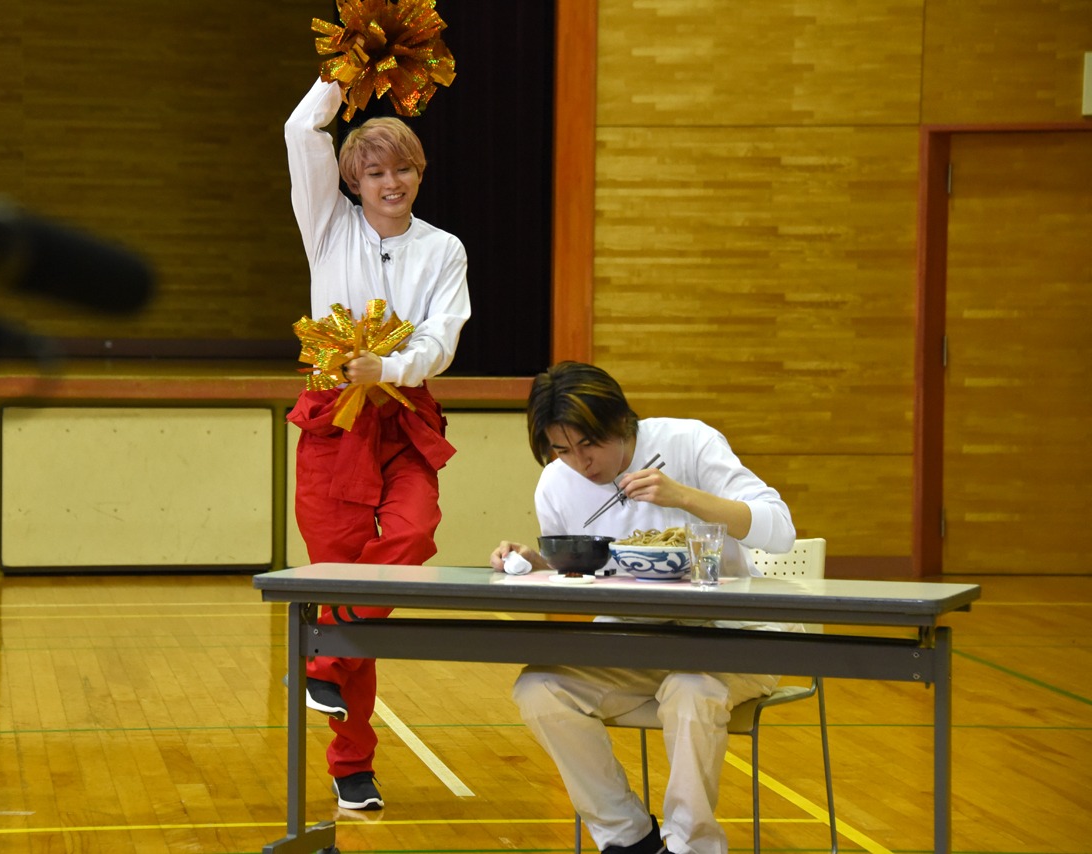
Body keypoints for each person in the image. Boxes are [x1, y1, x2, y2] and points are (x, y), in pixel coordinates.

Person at [490, 362, 798, 854]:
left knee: (690, 688)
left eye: (589, 445)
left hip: (733, 634)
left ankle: (691, 846)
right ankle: (628, 837)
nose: (580, 463)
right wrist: (536, 562)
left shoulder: (688, 441)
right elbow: (581, 574)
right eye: (562, 450)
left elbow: (779, 529)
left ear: (620, 421)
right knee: (539, 687)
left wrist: (683, 496)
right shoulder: (556, 483)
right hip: (634, 640)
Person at [283, 77, 471, 812]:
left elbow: (441, 339)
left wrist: (387, 369)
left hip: (405, 412)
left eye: (404, 169)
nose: (391, 183)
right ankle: (351, 765)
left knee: (414, 535)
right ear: (352, 182)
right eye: (375, 172)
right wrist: (345, 73)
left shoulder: (444, 249)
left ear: (420, 173)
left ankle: (324, 652)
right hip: (334, 420)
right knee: (344, 583)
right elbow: (302, 131)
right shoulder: (325, 225)